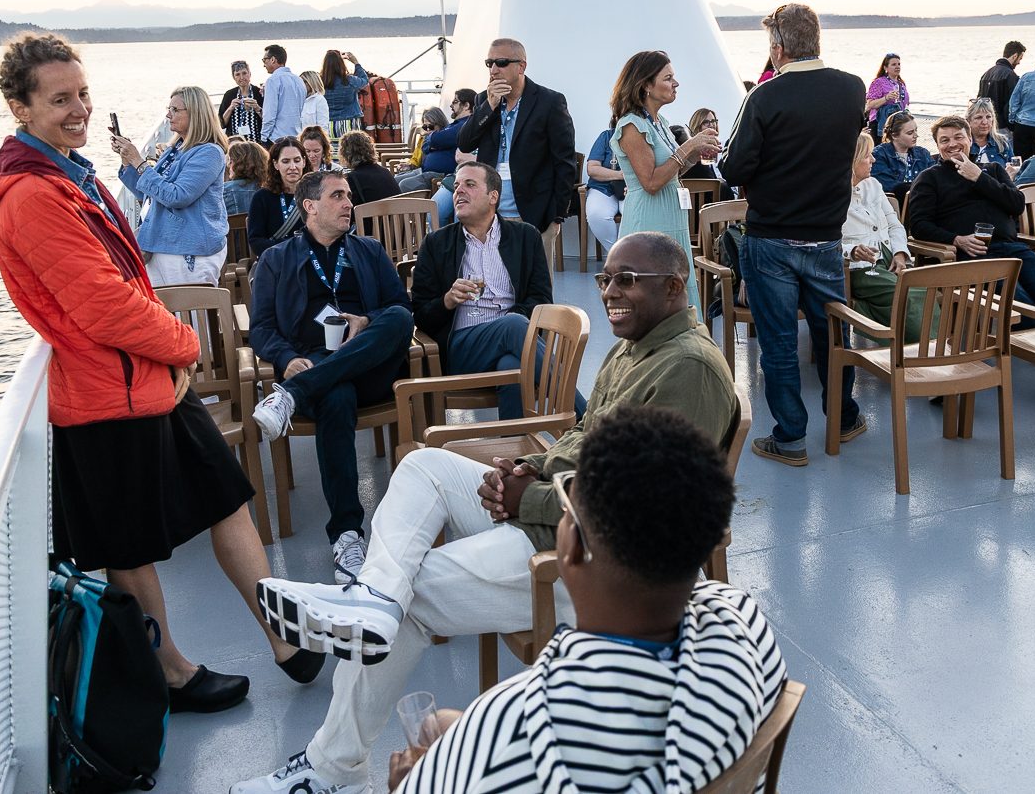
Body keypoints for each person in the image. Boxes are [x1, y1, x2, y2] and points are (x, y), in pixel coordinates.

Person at [232, 232, 741, 794]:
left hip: (596, 561)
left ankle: (334, 769)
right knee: (425, 467)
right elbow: (586, 438)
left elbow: (649, 509)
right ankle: (373, 598)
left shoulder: (688, 369)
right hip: (557, 511)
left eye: (626, 280)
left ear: (674, 288)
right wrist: (528, 466)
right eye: (605, 278)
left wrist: (533, 498)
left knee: (415, 595)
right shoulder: (633, 344)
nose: (610, 292)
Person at [0, 32, 322, 713]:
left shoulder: (71, 175)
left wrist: (167, 356)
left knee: (225, 495)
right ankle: (171, 671)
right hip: (104, 397)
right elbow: (102, 304)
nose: (79, 109)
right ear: (20, 107)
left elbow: (124, 276)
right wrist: (184, 347)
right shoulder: (33, 197)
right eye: (60, 99)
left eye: (83, 93)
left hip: (148, 379)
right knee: (129, 547)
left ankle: (286, 638)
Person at [384, 406, 784, 794]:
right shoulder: (745, 623)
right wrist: (462, 738)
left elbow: (501, 742)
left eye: (563, 499)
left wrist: (416, 782)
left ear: (572, 547)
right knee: (445, 722)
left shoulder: (514, 735)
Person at [249, 171, 416, 581]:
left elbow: (400, 308)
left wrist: (367, 319)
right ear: (309, 206)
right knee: (335, 396)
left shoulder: (370, 250)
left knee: (394, 316)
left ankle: (290, 395)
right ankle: (346, 535)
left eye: (349, 196)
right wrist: (287, 358)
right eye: (337, 196)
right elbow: (261, 329)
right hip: (312, 362)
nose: (348, 204)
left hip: (371, 366)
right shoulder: (276, 259)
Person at [720, 2, 865, 466]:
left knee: (780, 342)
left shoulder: (763, 97)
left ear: (778, 49)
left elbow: (733, 166)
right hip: (825, 236)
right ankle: (844, 418)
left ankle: (790, 439)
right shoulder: (852, 89)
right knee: (832, 336)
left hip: (772, 238)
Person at [409, 162, 585, 420]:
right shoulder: (437, 244)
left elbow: (540, 300)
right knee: (513, 326)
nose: (458, 191)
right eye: (456, 186)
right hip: (461, 348)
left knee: (512, 367)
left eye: (469, 184)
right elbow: (420, 315)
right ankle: (588, 421)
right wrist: (447, 300)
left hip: (513, 340)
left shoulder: (526, 237)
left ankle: (516, 455)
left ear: (494, 197)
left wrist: (510, 322)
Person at [904, 116, 1035, 313]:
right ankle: (1033, 341)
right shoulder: (930, 178)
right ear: (938, 145)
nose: (952, 144)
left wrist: (978, 177)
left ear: (969, 139)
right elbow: (918, 225)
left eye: (958, 137)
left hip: (1014, 249)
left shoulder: (992, 170)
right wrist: (956, 240)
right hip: (975, 255)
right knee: (1018, 303)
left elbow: (1017, 205)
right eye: (945, 140)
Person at [609, 51, 718, 318]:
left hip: (670, 218)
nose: (676, 83)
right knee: (653, 302)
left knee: (675, 298)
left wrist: (695, 154)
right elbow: (651, 182)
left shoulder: (660, 122)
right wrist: (689, 145)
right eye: (668, 78)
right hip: (649, 220)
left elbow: (672, 171)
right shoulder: (632, 126)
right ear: (646, 84)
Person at [455, 39, 577, 271]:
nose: (493, 69)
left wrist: (557, 215)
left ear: (521, 66)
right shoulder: (484, 100)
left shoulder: (549, 101)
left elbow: (565, 161)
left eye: (501, 62)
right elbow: (464, 142)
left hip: (535, 211)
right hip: (491, 210)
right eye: (489, 63)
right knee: (495, 283)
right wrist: (488, 107)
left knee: (538, 289)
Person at [112, 85, 230, 286]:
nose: (168, 115)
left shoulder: (209, 152)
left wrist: (139, 162)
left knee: (193, 316)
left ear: (195, 113)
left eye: (175, 110)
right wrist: (128, 161)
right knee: (162, 315)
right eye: (169, 108)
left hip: (189, 251)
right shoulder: (175, 149)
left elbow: (178, 196)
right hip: (160, 244)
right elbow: (149, 193)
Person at [843, 131, 930, 346]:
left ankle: (927, 351)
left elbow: (895, 224)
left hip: (889, 259)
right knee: (905, 294)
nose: (873, 159)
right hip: (857, 268)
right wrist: (852, 251)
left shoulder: (873, 185)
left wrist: (900, 253)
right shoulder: (831, 193)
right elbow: (824, 239)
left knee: (925, 289)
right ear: (851, 160)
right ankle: (917, 355)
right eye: (867, 155)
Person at [248, 138, 308, 257]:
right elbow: (256, 242)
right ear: (276, 164)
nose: (292, 166)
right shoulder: (261, 197)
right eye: (285, 161)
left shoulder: (316, 195)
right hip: (276, 261)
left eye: (297, 160)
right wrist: (289, 246)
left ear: (304, 162)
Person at [870, 110, 936, 204]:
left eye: (916, 130)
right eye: (910, 133)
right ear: (894, 135)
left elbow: (935, 179)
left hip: (923, 201)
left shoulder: (923, 153)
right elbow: (890, 187)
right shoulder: (878, 155)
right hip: (895, 205)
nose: (916, 135)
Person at [583, 119, 625, 253]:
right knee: (597, 214)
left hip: (633, 189)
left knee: (635, 215)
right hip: (603, 188)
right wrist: (620, 175)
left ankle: (631, 254)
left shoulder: (643, 137)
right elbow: (593, 169)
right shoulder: (605, 137)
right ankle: (616, 255)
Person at [397, 105, 459, 193]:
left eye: (431, 126)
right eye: (425, 127)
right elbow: (424, 146)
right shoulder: (430, 136)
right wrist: (433, 146)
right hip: (423, 170)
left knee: (404, 184)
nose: (428, 130)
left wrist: (434, 144)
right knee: (393, 181)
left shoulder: (446, 134)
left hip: (436, 174)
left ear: (440, 123)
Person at [679, 107, 736, 201]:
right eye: (706, 122)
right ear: (697, 126)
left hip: (721, 201)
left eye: (713, 121)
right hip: (701, 204)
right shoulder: (690, 153)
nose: (711, 125)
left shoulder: (725, 148)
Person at [337, 129, 401, 207]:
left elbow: (348, 207)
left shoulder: (353, 178)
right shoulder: (385, 172)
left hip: (370, 218)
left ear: (345, 154)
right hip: (394, 217)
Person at [260, 45, 306, 144]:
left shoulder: (273, 80)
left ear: (273, 59)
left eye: (265, 60)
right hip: (296, 136)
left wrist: (263, 138)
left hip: (277, 137)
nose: (264, 65)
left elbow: (269, 114)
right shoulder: (299, 80)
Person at [978, 41, 1027, 133]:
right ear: (1014, 56)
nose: (1019, 62)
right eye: (1020, 58)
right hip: (1002, 126)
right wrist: (1011, 127)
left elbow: (979, 100)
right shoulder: (1010, 76)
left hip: (986, 124)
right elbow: (1011, 104)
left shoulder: (987, 73)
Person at [321, 50, 369, 139]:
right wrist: (356, 63)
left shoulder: (320, 82)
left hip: (329, 122)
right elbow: (365, 80)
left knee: (332, 150)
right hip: (349, 122)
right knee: (352, 149)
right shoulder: (349, 80)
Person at [864, 53, 911, 143]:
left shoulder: (901, 84)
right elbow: (870, 104)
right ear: (885, 68)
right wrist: (886, 98)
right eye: (893, 64)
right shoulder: (879, 82)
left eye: (899, 64)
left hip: (897, 124)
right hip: (880, 124)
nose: (897, 67)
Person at [219, 59, 264, 140]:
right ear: (234, 77)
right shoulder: (229, 95)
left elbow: (268, 120)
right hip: (235, 142)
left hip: (257, 141)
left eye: (244, 73)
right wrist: (230, 108)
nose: (242, 78)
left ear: (250, 74)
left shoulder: (259, 93)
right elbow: (222, 123)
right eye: (237, 75)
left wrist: (257, 108)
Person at [967, 96, 1016, 169]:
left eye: (988, 117)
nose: (984, 122)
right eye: (979, 118)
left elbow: (1015, 168)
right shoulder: (963, 144)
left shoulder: (1002, 142)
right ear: (968, 121)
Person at [224, 139, 267, 216]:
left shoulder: (223, 190)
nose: (228, 165)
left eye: (231, 160)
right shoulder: (272, 189)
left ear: (241, 163)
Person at [299, 70, 329, 134]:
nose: (300, 84)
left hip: (312, 139)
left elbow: (322, 125)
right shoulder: (297, 100)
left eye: (303, 81)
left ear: (312, 82)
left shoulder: (319, 100)